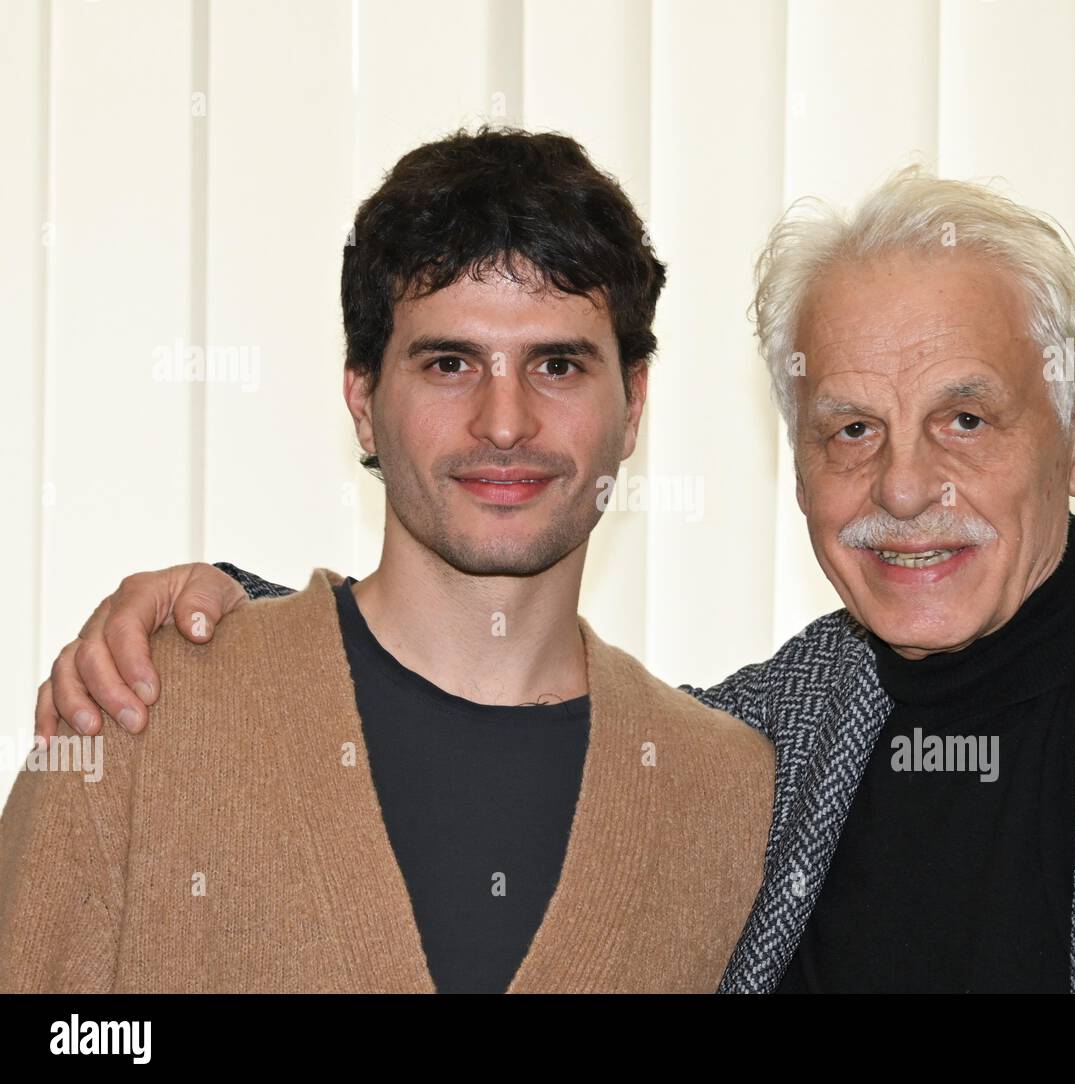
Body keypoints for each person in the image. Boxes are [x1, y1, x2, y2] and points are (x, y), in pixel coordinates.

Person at [29, 167, 1075, 994]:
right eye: (851, 428)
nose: (905, 488)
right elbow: (456, 694)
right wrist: (235, 621)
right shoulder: (761, 742)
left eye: (965, 419)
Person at [0, 127, 775, 994]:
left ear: (632, 407)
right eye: (450, 363)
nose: (506, 421)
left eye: (557, 364)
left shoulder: (728, 793)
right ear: (363, 402)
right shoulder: (138, 709)